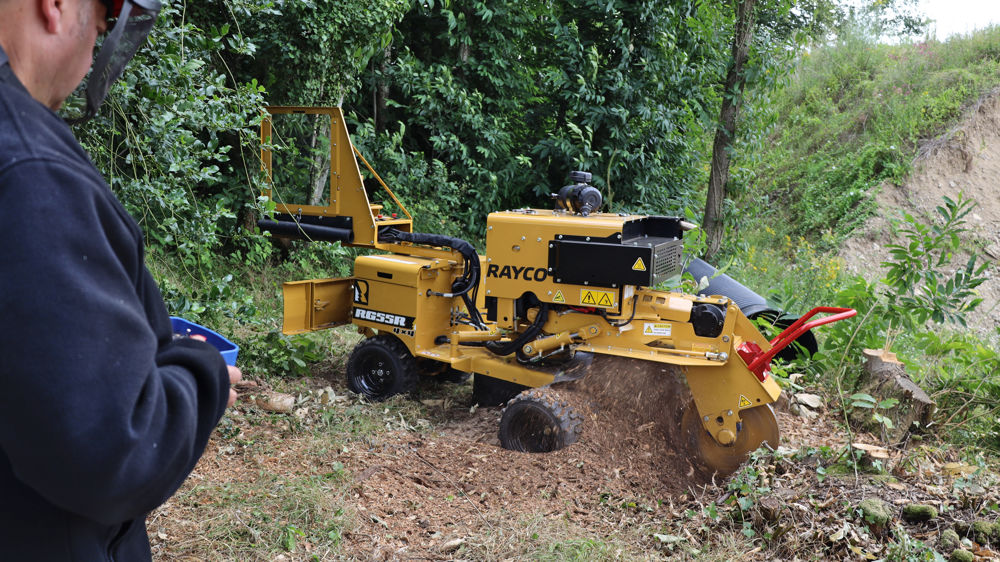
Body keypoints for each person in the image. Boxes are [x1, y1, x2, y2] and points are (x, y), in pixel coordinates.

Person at [0, 0, 241, 558]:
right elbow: (115, 449)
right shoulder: (30, 171)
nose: (92, 59)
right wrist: (201, 372)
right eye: (103, 27)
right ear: (57, 6)